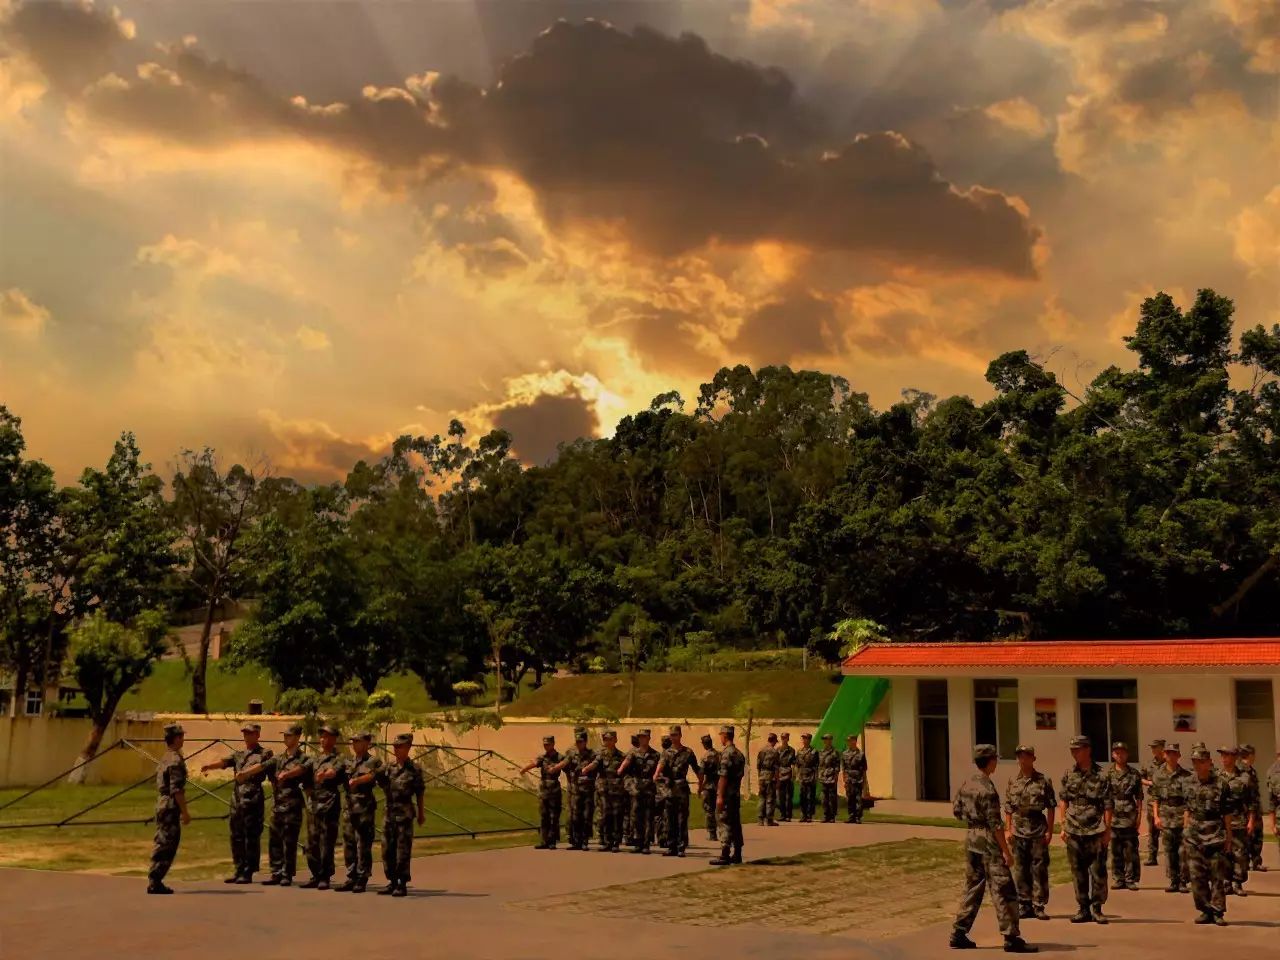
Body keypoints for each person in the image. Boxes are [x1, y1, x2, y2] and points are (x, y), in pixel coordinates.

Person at [950, 743, 1037, 954]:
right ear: (990, 761)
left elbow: (957, 811)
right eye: (995, 759)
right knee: (1005, 889)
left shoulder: (967, 783)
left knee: (972, 887)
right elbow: (995, 824)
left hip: (971, 839)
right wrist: (1006, 852)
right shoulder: (988, 789)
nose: (996, 762)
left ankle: (958, 932)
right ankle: (1010, 937)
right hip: (989, 843)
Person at [200, 721, 271, 884]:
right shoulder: (239, 754)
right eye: (245, 733)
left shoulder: (264, 753)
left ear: (258, 735)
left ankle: (249, 870)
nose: (247, 736)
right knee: (236, 835)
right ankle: (238, 868)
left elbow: (263, 766)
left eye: (250, 733)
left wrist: (245, 773)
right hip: (237, 800)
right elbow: (225, 762)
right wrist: (209, 766)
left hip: (252, 799)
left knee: (250, 836)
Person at [1057, 734, 1112, 924]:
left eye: (1078, 749)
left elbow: (1107, 805)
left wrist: (1107, 830)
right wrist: (1063, 824)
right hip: (1074, 828)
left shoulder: (1102, 775)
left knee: (1098, 871)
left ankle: (1097, 908)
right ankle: (1083, 908)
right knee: (1077, 871)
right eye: (1072, 750)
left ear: (1088, 750)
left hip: (1095, 829)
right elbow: (1063, 800)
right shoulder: (1069, 774)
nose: (1074, 753)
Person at [1003, 744, 1055, 920]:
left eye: (1026, 756)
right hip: (1018, 829)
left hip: (1037, 829)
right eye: (1019, 757)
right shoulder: (1012, 780)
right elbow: (1008, 807)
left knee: (1039, 869)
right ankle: (1024, 904)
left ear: (1033, 758)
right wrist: (1008, 829)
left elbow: (1051, 806)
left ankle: (1039, 904)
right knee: (1020, 869)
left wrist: (1049, 830)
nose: (1022, 760)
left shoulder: (1043, 780)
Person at [1184, 745, 1231, 925]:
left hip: (1216, 834)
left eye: (1201, 762)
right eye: (1195, 762)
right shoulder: (1188, 782)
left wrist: (1228, 836)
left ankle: (1218, 911)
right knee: (1197, 877)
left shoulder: (1221, 784)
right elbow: (1187, 809)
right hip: (1194, 835)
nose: (1198, 765)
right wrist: (1185, 829)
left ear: (1209, 763)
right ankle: (1205, 910)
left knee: (1217, 876)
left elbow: (1227, 812)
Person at [375, 731, 425, 897]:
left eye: (400, 747)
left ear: (408, 748)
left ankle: (402, 883)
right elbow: (379, 780)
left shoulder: (414, 770)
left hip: (404, 814)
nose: (396, 750)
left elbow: (419, 792)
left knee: (402, 850)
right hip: (389, 813)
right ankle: (392, 881)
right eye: (394, 747)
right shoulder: (389, 767)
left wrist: (421, 813)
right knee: (386, 849)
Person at [262, 722, 309, 887]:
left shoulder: (303, 758)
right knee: (274, 839)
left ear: (297, 738)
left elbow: (303, 771)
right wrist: (246, 773)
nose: (285, 738)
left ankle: (287, 873)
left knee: (289, 841)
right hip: (278, 804)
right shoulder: (279, 758)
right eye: (285, 735)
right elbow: (263, 766)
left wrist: (287, 775)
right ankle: (275, 872)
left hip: (293, 805)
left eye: (289, 735)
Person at [147, 723, 191, 895]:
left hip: (162, 803)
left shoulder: (166, 757)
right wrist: (185, 812)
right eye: (181, 736)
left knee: (162, 840)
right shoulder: (175, 760)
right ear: (176, 738)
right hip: (170, 805)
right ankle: (155, 879)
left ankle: (155, 878)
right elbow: (177, 789)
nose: (183, 739)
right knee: (167, 843)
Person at [335, 730, 381, 892]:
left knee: (363, 843)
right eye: (353, 742)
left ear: (367, 743)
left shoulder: (373, 761)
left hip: (364, 808)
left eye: (358, 741)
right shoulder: (348, 762)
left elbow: (373, 775)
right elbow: (337, 774)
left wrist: (357, 780)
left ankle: (362, 877)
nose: (355, 744)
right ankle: (351, 876)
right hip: (349, 808)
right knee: (349, 843)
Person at [301, 723, 345, 890]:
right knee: (311, 842)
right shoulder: (314, 760)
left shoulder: (338, 758)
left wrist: (324, 775)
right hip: (314, 805)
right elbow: (306, 780)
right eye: (321, 736)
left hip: (329, 804)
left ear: (333, 739)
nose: (322, 739)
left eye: (326, 736)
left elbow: (333, 772)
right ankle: (315, 874)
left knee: (326, 842)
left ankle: (325, 876)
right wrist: (308, 793)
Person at [654, 725, 702, 857]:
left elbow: (697, 769)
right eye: (671, 735)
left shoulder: (688, 752)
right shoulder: (666, 752)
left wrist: (700, 784)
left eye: (675, 735)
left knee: (682, 819)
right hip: (670, 790)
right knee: (670, 819)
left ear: (680, 736)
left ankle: (681, 847)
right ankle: (671, 846)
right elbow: (660, 765)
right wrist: (657, 774)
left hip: (681, 789)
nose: (673, 737)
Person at [1152, 742, 1192, 893]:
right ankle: (1173, 880)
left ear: (1179, 756)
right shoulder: (1158, 775)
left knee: (1183, 851)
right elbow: (1155, 797)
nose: (1171, 756)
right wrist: (1156, 816)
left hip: (1182, 816)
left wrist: (1187, 821)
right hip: (1166, 816)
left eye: (1174, 753)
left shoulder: (1187, 776)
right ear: (1164, 755)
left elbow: (1189, 801)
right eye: (1168, 753)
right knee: (1169, 851)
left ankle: (1183, 880)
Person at [1104, 741, 1143, 890]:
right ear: (1113, 755)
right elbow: (1104, 797)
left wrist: (1139, 817)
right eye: (1117, 752)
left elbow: (1139, 797)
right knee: (1115, 849)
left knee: (1130, 849)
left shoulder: (1134, 774)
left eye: (1122, 752)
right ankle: (1118, 878)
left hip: (1129, 815)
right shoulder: (1108, 774)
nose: (1120, 755)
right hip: (1113, 815)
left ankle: (1130, 878)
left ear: (1127, 754)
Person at [1217, 746, 1255, 896]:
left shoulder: (1244, 777)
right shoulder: (1216, 777)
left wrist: (1251, 820)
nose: (1224, 758)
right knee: (1223, 853)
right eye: (1222, 756)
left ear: (1234, 758)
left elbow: (1252, 801)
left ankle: (1237, 882)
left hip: (1238, 819)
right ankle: (1226, 882)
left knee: (1240, 854)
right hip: (1220, 822)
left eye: (1227, 756)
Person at [520, 735, 567, 850]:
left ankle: (552, 841)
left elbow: (567, 766)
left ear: (553, 744)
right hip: (544, 789)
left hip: (554, 789)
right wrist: (524, 769)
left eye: (548, 744)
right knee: (544, 815)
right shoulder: (543, 757)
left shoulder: (560, 757)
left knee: (553, 816)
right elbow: (535, 763)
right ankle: (544, 841)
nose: (546, 746)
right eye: (545, 744)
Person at [618, 729, 660, 854]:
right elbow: (625, 766)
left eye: (645, 737)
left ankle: (646, 844)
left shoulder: (655, 755)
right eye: (640, 737)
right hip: (636, 790)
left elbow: (661, 770)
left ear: (649, 738)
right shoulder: (633, 753)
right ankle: (638, 842)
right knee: (636, 817)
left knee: (648, 817)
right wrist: (622, 771)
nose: (642, 739)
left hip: (649, 790)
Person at [709, 724, 745, 867]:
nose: (720, 738)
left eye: (721, 735)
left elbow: (723, 776)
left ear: (725, 735)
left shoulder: (726, 753)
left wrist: (719, 795)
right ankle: (737, 853)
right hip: (735, 793)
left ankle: (724, 853)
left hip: (727, 795)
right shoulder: (739, 754)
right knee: (735, 823)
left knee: (724, 822)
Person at [585, 729, 625, 852]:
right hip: (604, 791)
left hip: (617, 791)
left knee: (617, 816)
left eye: (609, 739)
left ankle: (616, 842)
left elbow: (626, 771)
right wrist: (586, 768)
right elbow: (595, 764)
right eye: (605, 739)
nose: (607, 741)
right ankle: (607, 842)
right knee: (605, 816)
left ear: (615, 740)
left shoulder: (621, 756)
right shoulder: (600, 754)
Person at [566, 728, 598, 851]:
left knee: (586, 816)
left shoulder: (592, 755)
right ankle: (576, 841)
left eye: (581, 742)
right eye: (577, 742)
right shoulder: (571, 754)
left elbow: (595, 769)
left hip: (588, 791)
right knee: (575, 816)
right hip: (576, 791)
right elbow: (566, 768)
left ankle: (585, 841)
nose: (578, 744)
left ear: (585, 742)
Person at [1238, 744, 1266, 873]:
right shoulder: (1240, 770)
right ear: (1250, 755)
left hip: (1255, 808)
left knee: (1257, 836)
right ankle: (1246, 862)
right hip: (1246, 809)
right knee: (1247, 837)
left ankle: (1256, 861)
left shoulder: (1251, 770)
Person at [1140, 738, 1166, 866]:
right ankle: (1152, 857)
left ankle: (1169, 857)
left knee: (1168, 831)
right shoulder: (1149, 764)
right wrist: (1150, 783)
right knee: (1152, 831)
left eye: (1155, 747)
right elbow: (1141, 778)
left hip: (1166, 802)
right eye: (1152, 748)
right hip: (1152, 801)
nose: (1153, 750)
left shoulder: (1168, 763)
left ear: (1162, 748)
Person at [841, 733, 868, 824]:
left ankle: (858, 817)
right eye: (848, 741)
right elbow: (844, 768)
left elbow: (864, 769)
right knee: (850, 799)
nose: (849, 743)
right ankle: (851, 816)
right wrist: (844, 778)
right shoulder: (844, 754)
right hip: (849, 779)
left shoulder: (861, 754)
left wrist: (864, 781)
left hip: (858, 779)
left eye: (850, 740)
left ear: (855, 741)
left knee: (858, 799)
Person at [699, 733, 720, 840]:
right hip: (718, 785)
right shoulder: (719, 755)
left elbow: (702, 774)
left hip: (708, 786)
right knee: (719, 809)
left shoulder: (705, 757)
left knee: (709, 809)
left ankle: (712, 833)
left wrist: (699, 787)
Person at [756, 733, 779, 826]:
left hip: (762, 776)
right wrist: (777, 779)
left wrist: (759, 777)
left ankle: (760, 819)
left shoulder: (761, 750)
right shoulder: (774, 752)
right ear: (773, 741)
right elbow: (777, 767)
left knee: (762, 797)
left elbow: (758, 765)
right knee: (770, 798)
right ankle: (769, 819)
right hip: (770, 777)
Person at [654, 734, 673, 850]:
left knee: (659, 816)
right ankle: (665, 838)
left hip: (660, 790)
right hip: (665, 789)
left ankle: (662, 838)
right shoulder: (669, 756)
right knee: (666, 815)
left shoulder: (659, 755)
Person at [795, 732, 819, 823]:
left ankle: (809, 815)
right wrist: (797, 776)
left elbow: (817, 765)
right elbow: (797, 765)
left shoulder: (814, 751)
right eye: (803, 738)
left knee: (810, 796)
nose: (804, 740)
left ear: (809, 740)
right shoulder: (799, 751)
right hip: (802, 776)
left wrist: (816, 776)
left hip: (811, 776)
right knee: (803, 796)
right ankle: (803, 814)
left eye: (806, 738)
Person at [818, 733, 840, 823]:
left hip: (831, 777)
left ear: (830, 740)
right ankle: (826, 815)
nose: (825, 741)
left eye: (826, 739)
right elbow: (820, 765)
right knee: (824, 798)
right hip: (823, 777)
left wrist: (835, 778)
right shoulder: (821, 751)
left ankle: (832, 816)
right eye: (824, 739)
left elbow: (837, 767)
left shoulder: (835, 752)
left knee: (832, 798)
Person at [776, 732, 796, 822]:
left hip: (788, 774)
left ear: (788, 739)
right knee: (781, 796)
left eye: (786, 738)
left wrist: (794, 775)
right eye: (783, 738)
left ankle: (788, 815)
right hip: (780, 774)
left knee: (789, 797)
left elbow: (793, 763)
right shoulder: (777, 750)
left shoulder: (791, 750)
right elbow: (775, 763)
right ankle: (782, 814)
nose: (784, 739)